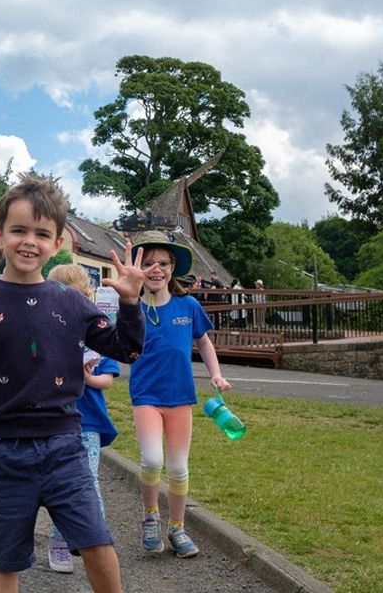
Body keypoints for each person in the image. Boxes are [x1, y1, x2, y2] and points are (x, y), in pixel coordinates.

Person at [0, 175, 151, 593]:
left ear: (58, 241)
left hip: (65, 447)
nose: (29, 241)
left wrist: (132, 303)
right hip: (2, 451)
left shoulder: (71, 300)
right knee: (6, 561)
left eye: (42, 233)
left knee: (97, 544)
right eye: (19, 230)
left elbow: (127, 350)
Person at [128, 230, 231, 559]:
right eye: (148, 263)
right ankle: (150, 517)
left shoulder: (188, 305)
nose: (156, 269)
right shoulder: (131, 309)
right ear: (138, 267)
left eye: (163, 263)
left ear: (173, 268)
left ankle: (177, 527)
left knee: (178, 468)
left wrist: (215, 373)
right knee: (151, 460)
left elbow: (203, 341)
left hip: (181, 397)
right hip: (146, 396)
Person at [45, 263, 120, 574]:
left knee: (87, 482)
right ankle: (59, 540)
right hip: (54, 422)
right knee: (59, 485)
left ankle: (95, 539)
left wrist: (88, 379)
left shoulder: (98, 334)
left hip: (87, 422)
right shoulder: (46, 331)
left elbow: (109, 379)